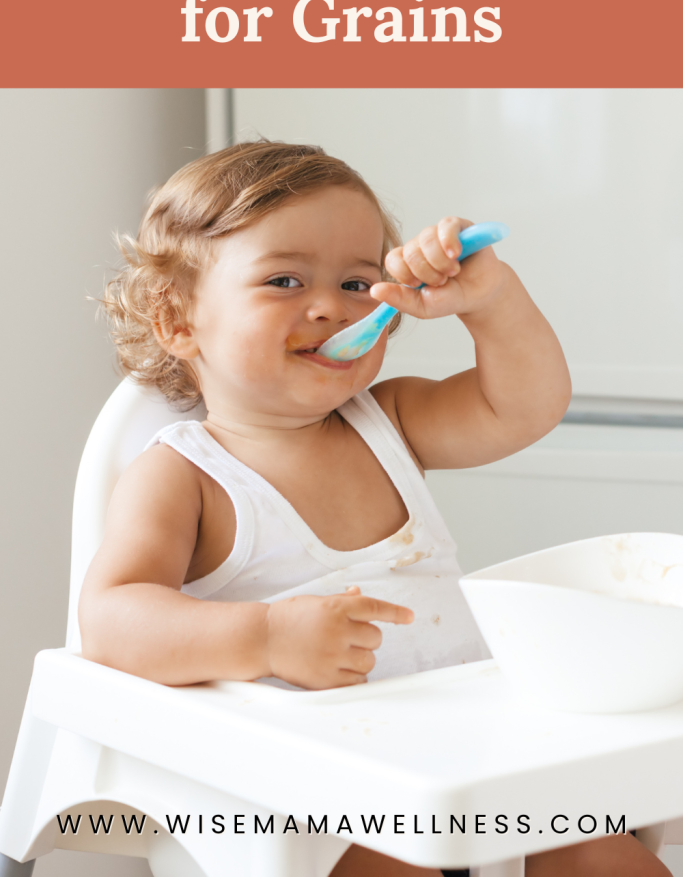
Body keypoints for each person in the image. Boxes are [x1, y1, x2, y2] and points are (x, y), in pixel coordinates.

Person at [79, 141, 668, 877]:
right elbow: (109, 618)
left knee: (596, 842)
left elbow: (523, 406)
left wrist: (490, 302)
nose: (329, 306)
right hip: (319, 793)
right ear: (178, 321)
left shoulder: (387, 420)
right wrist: (264, 636)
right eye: (284, 279)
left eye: (358, 283)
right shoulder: (185, 473)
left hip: (471, 750)